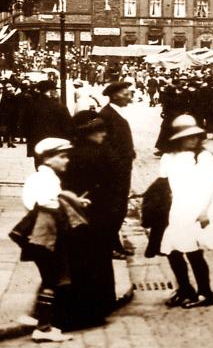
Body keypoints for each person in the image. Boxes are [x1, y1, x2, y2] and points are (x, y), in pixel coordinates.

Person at [21, 137, 91, 343]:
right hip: (47, 237)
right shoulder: (45, 179)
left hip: (42, 236)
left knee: (50, 277)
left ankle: (38, 317)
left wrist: (71, 199)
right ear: (48, 159)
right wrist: (69, 204)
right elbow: (47, 204)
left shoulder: (43, 177)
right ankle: (43, 328)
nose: (67, 160)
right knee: (53, 279)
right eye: (62, 156)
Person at [158, 121, 213, 309]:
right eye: (189, 136)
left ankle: (206, 293)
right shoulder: (168, 157)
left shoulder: (203, 157)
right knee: (172, 250)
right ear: (178, 138)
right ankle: (184, 289)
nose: (194, 139)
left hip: (199, 205)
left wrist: (204, 211)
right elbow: (165, 183)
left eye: (196, 136)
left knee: (193, 251)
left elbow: (211, 184)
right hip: (179, 206)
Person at [60, 112, 117, 329]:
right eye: (98, 130)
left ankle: (89, 309)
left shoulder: (74, 155)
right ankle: (98, 308)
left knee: (84, 262)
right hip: (96, 214)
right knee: (97, 261)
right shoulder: (102, 154)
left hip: (83, 215)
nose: (103, 133)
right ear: (87, 133)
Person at [97, 81, 136, 259]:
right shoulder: (106, 115)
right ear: (114, 96)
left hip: (121, 168)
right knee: (113, 208)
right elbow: (106, 145)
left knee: (119, 207)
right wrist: (118, 163)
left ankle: (114, 244)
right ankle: (110, 246)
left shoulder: (115, 113)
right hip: (115, 170)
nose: (129, 97)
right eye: (126, 94)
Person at [25, 81, 73, 163]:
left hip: (37, 144)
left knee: (39, 165)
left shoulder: (31, 106)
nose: (56, 93)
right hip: (56, 144)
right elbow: (68, 127)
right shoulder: (59, 107)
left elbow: (25, 126)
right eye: (55, 90)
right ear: (50, 92)